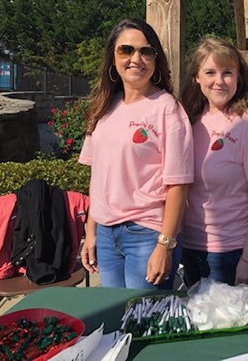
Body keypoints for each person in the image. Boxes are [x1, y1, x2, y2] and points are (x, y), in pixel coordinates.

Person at [79, 18, 194, 289]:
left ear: (155, 60)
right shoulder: (103, 109)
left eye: (146, 51)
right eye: (126, 50)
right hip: (106, 236)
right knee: (114, 318)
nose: (136, 59)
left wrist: (164, 245)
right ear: (112, 58)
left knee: (142, 324)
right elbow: (99, 177)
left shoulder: (167, 109)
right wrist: (91, 231)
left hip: (146, 234)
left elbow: (179, 184)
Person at [180, 38, 248, 287]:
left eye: (227, 73)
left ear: (239, 78)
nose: (219, 81)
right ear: (196, 78)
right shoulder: (188, 120)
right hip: (190, 246)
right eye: (210, 72)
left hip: (232, 250)